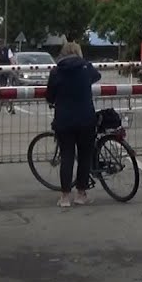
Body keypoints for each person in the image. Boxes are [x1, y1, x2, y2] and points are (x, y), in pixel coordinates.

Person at [45, 41, 102, 207]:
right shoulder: (86, 67)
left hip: (64, 120)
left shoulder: (56, 71)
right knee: (84, 156)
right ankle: (81, 194)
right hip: (86, 118)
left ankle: (64, 197)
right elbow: (97, 76)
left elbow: (50, 96)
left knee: (67, 156)